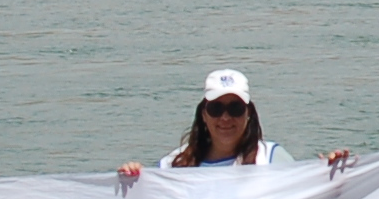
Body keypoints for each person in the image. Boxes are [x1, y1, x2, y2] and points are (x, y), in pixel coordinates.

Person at [117, 69, 347, 176]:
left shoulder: (272, 159)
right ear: (204, 115)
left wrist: (331, 175)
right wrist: (133, 181)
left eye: (235, 109)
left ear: (248, 114)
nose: (225, 118)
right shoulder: (172, 166)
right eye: (216, 109)